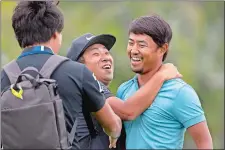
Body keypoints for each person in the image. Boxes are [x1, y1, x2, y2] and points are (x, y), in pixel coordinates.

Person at [0, 1, 122, 149]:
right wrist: (114, 134)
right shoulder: (76, 71)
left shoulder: (5, 75)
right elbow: (112, 125)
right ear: (55, 34)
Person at [66, 33, 182, 149]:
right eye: (96, 54)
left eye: (106, 52)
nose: (106, 57)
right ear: (79, 66)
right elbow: (127, 111)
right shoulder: (87, 84)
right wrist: (162, 75)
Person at [116, 15, 213, 149]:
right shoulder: (124, 90)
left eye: (142, 45)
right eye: (131, 43)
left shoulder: (180, 92)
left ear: (162, 49)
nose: (134, 50)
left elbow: (204, 144)